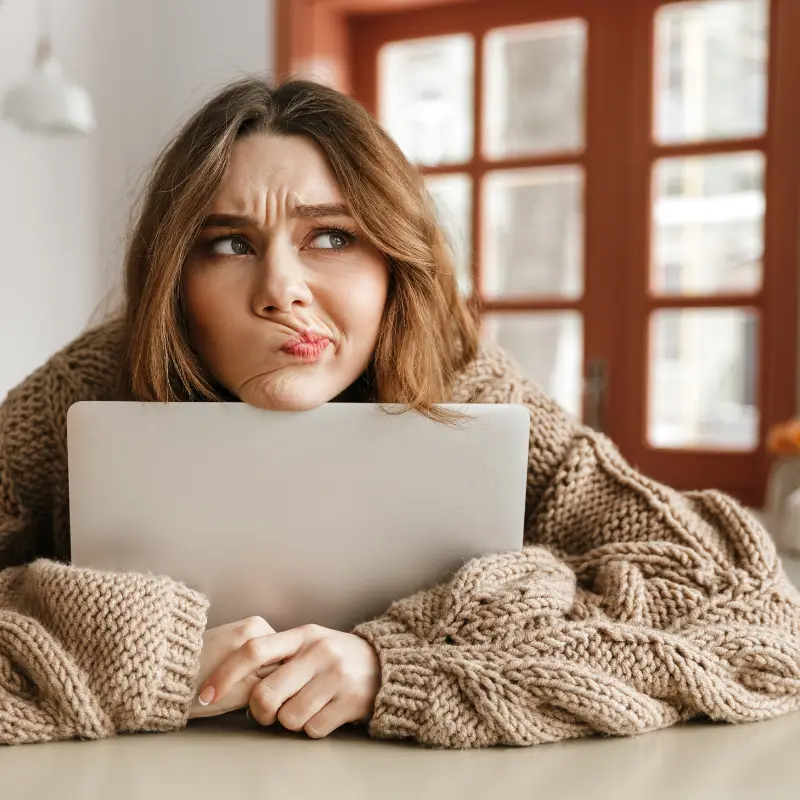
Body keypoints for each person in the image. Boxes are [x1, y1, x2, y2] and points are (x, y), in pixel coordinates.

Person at [1, 78, 798, 749]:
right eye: (231, 245)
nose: (281, 288)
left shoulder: (465, 384)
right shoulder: (91, 383)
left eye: (331, 237)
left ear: (393, 264)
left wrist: (408, 667)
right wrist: (148, 655)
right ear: (176, 279)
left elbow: (753, 622)